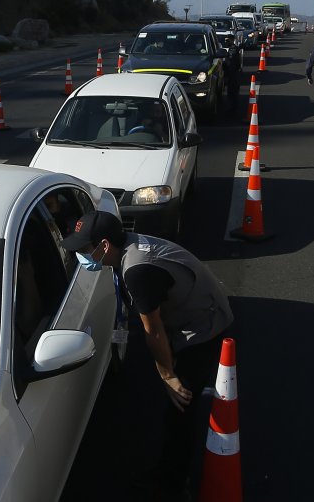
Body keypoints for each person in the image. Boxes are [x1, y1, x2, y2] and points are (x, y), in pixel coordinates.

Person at [60, 210, 234, 497]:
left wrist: (168, 376)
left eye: (83, 248)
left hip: (203, 327)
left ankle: (173, 481)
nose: (80, 254)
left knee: (180, 405)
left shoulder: (138, 270)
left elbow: (152, 331)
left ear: (104, 246)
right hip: (187, 312)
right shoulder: (127, 246)